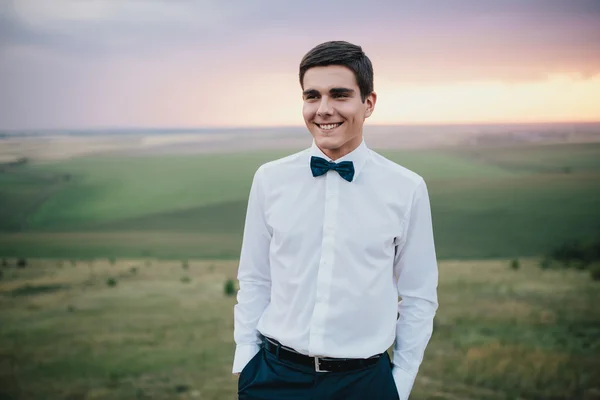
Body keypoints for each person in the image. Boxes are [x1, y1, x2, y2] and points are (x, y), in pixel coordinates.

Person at [232, 40, 439, 400]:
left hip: (363, 383)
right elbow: (254, 279)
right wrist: (248, 361)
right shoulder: (269, 179)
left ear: (369, 103)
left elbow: (419, 296)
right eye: (312, 96)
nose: (323, 109)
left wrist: (399, 381)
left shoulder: (407, 188)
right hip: (273, 378)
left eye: (339, 95)